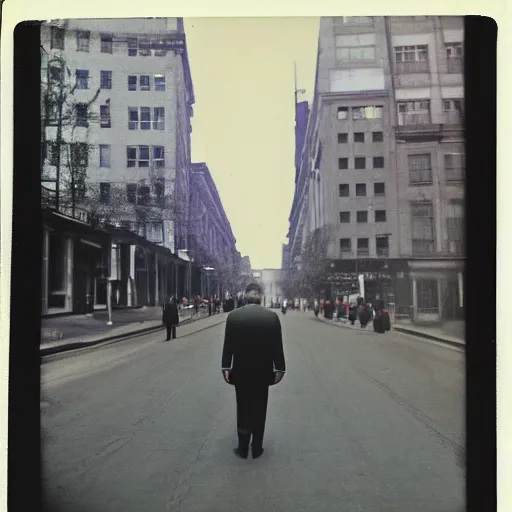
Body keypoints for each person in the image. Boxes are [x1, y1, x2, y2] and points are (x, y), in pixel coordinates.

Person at [221, 283, 286, 460]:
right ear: (260, 296)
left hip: (241, 371)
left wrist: (226, 367)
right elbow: (277, 347)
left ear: (245, 295)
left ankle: (242, 449)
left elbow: (228, 346)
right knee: (260, 407)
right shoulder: (271, 317)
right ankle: (256, 447)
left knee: (243, 407)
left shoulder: (233, 317)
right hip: (263, 371)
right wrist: (279, 368)